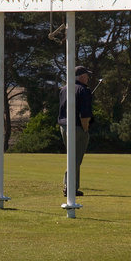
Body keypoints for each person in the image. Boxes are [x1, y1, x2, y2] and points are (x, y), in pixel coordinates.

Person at [58, 66, 94, 196]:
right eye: (86, 75)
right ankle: (69, 188)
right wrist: (86, 129)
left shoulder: (64, 89)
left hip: (63, 126)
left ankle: (71, 187)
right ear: (81, 76)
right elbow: (85, 115)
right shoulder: (84, 90)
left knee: (72, 157)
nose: (88, 78)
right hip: (77, 127)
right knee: (75, 159)